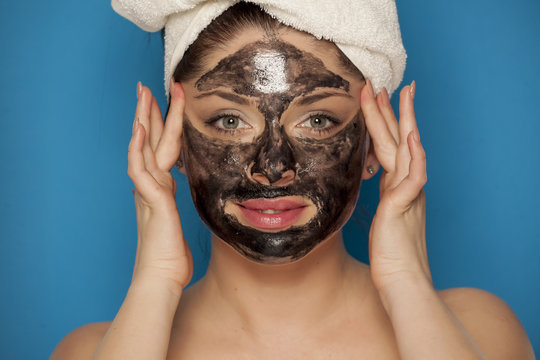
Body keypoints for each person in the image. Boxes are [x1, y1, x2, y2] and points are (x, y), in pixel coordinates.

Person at [51, 2, 534, 359]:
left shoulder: (479, 333)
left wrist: (406, 279)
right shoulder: (93, 351)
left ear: (371, 142)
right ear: (177, 142)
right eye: (228, 121)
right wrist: (154, 277)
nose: (273, 166)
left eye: (319, 120)